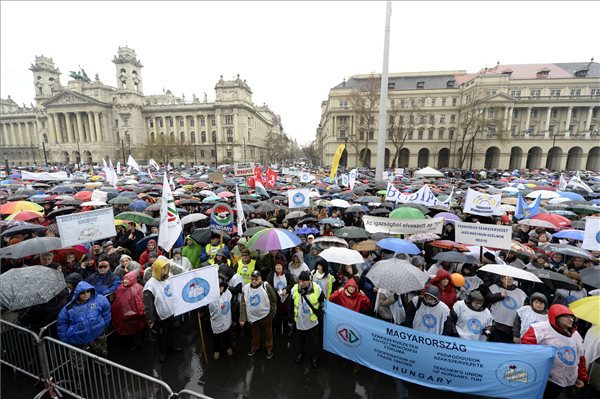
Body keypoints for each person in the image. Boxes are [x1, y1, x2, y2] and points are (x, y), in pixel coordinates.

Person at [521, 304, 588, 399]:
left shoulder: (576, 335)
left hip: (565, 381)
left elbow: (581, 358)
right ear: (556, 316)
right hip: (543, 378)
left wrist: (581, 377)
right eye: (566, 317)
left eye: (572, 317)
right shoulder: (540, 329)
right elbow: (526, 347)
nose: (571, 320)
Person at [143, 256, 182, 363]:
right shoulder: (150, 285)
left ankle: (172, 346)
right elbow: (148, 305)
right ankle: (163, 353)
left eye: (166, 268)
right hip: (159, 315)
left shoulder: (168, 277)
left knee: (172, 331)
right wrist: (150, 320)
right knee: (162, 335)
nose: (166, 270)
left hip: (171, 312)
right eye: (163, 268)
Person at [56, 281, 111, 356]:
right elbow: (62, 324)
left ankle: (102, 367)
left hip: (97, 334)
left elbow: (106, 312)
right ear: (78, 293)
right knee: (78, 362)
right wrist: (65, 340)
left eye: (88, 291)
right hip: (78, 339)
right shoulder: (69, 308)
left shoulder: (100, 299)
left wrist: (104, 326)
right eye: (83, 292)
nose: (86, 294)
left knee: (101, 355)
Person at [288, 271, 324, 368]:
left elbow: (322, 301)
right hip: (299, 321)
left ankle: (314, 357)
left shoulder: (317, 288)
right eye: (300, 281)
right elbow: (291, 305)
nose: (302, 283)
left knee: (314, 341)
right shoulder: (294, 290)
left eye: (304, 281)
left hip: (312, 321)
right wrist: (291, 318)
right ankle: (300, 353)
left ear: (309, 281)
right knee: (300, 340)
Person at [239, 270, 277, 359]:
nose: (254, 281)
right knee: (255, 334)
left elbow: (273, 299)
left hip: (265, 316)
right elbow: (243, 303)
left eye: (256, 279)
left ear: (260, 279)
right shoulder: (246, 288)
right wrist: (242, 318)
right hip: (252, 318)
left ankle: (269, 348)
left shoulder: (266, 286)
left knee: (268, 334)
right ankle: (255, 347)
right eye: (252, 279)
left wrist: (272, 313)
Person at [483, 275, 527, 343]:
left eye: (511, 278)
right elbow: (487, 298)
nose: (509, 280)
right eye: (506, 278)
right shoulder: (494, 287)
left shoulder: (521, 293)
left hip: (512, 327)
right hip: (497, 325)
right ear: (501, 279)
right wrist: (500, 295)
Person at [111, 270, 146, 350]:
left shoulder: (137, 288)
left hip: (134, 315)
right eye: (124, 279)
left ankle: (138, 344)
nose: (125, 281)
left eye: (128, 279)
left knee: (136, 331)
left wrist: (137, 312)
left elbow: (140, 303)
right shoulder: (120, 288)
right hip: (123, 314)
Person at [266, 261, 295, 336]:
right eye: (276, 265)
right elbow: (268, 286)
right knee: (277, 316)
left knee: (286, 315)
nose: (278, 267)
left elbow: (292, 283)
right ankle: (277, 332)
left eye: (279, 265)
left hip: (286, 299)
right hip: (275, 299)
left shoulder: (287, 274)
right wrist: (276, 291)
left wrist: (286, 289)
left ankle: (286, 330)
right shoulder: (271, 275)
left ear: (282, 267)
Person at [208, 280, 234, 360]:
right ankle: (217, 350)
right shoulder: (210, 297)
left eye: (222, 286)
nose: (221, 288)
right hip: (216, 322)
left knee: (226, 335)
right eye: (219, 287)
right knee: (216, 337)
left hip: (226, 320)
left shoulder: (227, 293)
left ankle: (227, 347)